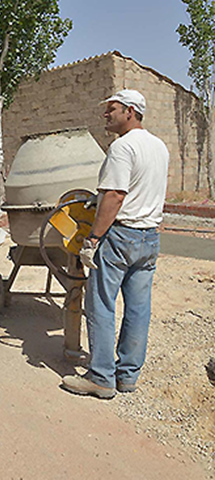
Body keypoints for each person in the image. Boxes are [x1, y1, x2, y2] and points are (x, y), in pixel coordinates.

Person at [61, 89, 169, 399]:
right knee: (138, 309)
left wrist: (92, 240)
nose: (106, 114)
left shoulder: (123, 147)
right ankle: (127, 376)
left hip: (120, 236)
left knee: (101, 306)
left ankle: (100, 377)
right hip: (149, 237)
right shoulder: (159, 147)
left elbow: (115, 196)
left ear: (131, 112)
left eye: (113, 109)